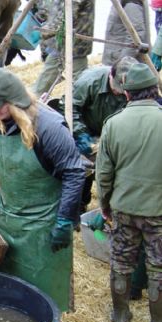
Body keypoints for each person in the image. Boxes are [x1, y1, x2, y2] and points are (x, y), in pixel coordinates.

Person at [0, 68, 85, 311]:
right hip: (8, 217)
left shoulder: (48, 127)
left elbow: (74, 173)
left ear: (15, 101)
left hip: (42, 223)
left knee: (41, 296)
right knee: (7, 292)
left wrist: (65, 221)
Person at [95, 63, 162, 322]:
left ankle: (120, 316)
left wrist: (104, 205)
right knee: (158, 267)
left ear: (127, 94)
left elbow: (103, 175)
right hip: (158, 210)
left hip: (123, 208)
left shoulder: (113, 125)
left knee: (121, 262)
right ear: (155, 90)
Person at [65, 56, 138, 213]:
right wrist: (81, 134)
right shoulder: (89, 81)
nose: (120, 92)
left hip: (116, 133)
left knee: (114, 172)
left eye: (124, 89)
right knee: (83, 170)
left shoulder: (136, 87)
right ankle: (80, 205)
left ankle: (113, 208)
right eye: (117, 87)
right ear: (110, 75)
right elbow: (69, 107)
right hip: (87, 128)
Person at [33, 0, 94, 97]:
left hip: (75, 44)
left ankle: (80, 106)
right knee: (46, 78)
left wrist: (44, 32)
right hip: (59, 42)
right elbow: (53, 9)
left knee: (80, 82)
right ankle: (30, 104)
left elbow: (67, 15)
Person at [102, 0, 148, 66]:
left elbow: (136, 36)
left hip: (122, 66)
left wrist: (121, 64)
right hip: (112, 60)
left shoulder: (131, 4)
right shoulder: (119, 2)